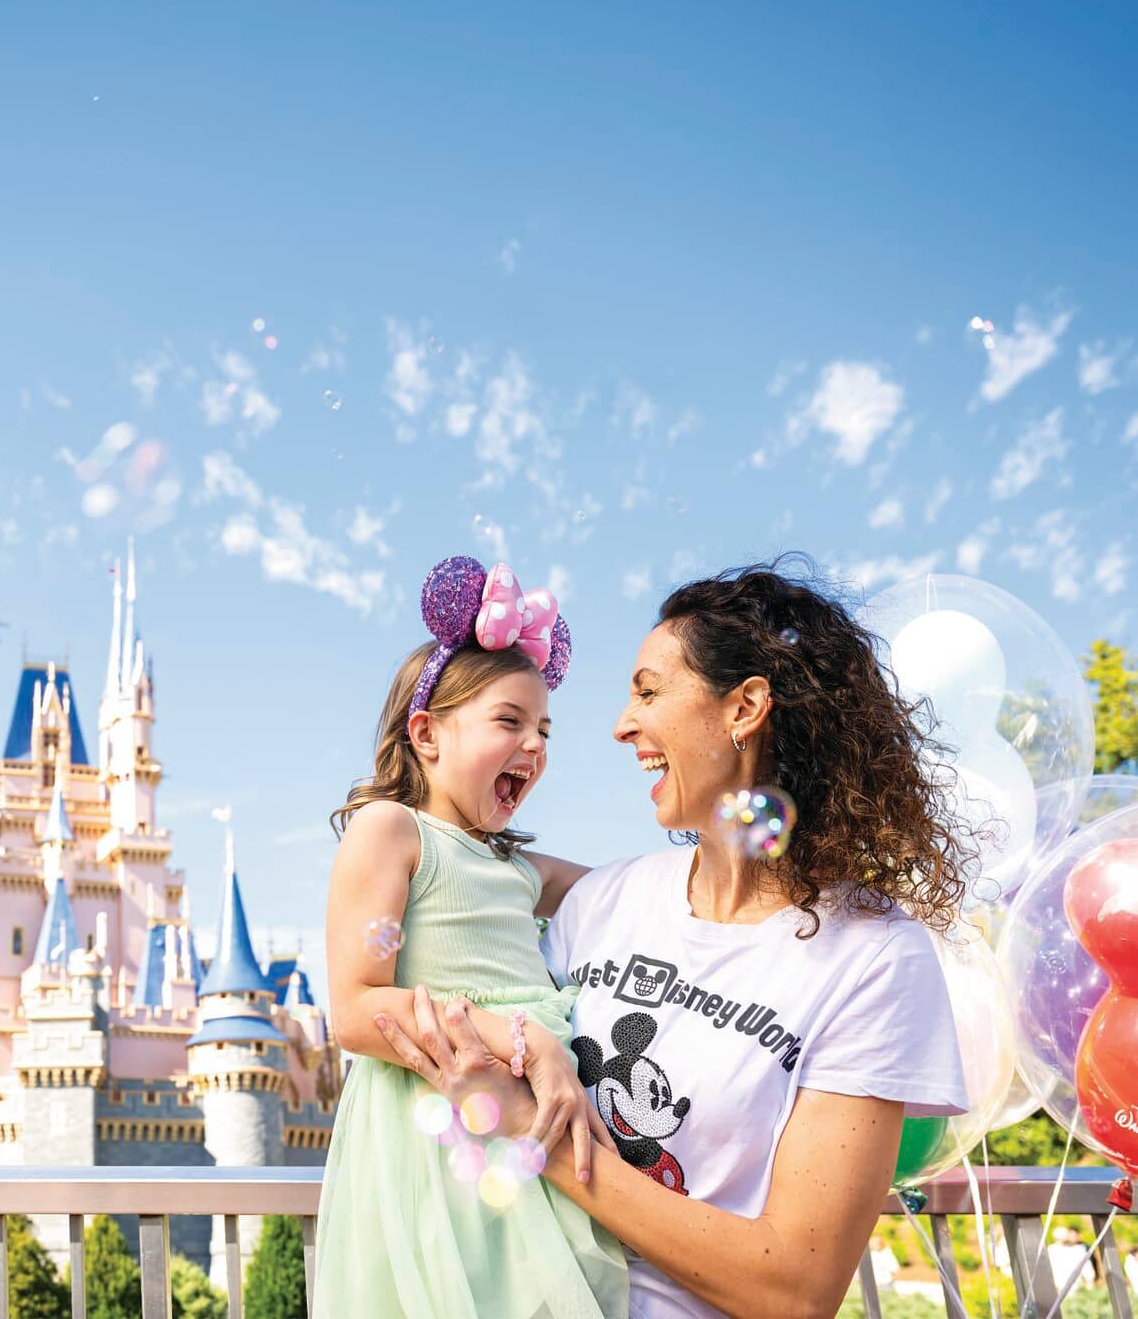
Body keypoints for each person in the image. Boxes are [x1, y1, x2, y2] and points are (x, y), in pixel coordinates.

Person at [376, 558, 972, 1319]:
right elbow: (449, 876)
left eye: (649, 691)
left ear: (745, 707)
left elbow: (794, 1288)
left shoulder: (876, 957)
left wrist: (539, 1134)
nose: (622, 724)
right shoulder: (601, 901)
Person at [318, 556, 628, 1318]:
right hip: (441, 1142)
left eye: (545, 729)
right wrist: (524, 1038)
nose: (535, 746)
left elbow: (632, 892)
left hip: (536, 1126)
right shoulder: (391, 830)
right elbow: (357, 1012)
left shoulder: (514, 866)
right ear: (426, 733)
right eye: (509, 721)